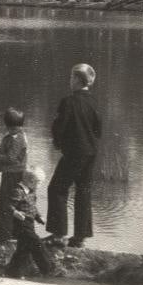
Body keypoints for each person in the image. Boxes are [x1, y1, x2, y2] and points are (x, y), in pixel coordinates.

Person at [46, 64, 101, 249]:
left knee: (56, 189)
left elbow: (59, 127)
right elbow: (98, 129)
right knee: (83, 191)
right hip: (90, 153)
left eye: (71, 77)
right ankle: (80, 238)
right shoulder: (94, 101)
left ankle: (58, 235)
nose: (70, 81)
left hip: (75, 152)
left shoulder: (68, 101)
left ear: (77, 80)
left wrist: (58, 143)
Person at [6, 167, 56, 277]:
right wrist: (15, 213)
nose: (40, 186)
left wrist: (39, 217)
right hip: (21, 224)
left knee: (23, 249)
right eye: (40, 183)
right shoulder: (18, 191)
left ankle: (13, 271)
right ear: (32, 181)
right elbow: (9, 206)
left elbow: (33, 207)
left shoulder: (32, 192)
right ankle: (48, 267)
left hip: (30, 223)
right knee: (36, 242)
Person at [0, 107, 28, 241]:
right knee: (8, 205)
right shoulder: (14, 136)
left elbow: (11, 158)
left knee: (4, 205)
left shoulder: (17, 138)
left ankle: (4, 236)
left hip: (13, 175)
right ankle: (10, 234)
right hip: (12, 174)